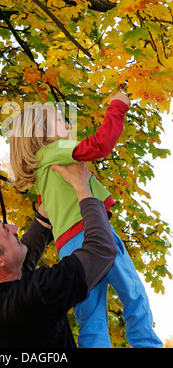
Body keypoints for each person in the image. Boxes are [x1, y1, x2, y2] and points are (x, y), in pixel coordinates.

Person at [10, 92, 162, 348]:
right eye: (60, 120)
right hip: (93, 233)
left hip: (68, 249)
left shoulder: (40, 172)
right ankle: (146, 344)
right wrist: (117, 108)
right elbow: (100, 145)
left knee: (90, 315)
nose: (68, 126)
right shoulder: (55, 149)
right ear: (41, 132)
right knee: (134, 294)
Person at [0, 162, 118, 348]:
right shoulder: (34, 297)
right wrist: (84, 189)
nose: (14, 228)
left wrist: (48, 205)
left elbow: (20, 261)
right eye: (3, 230)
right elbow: (101, 250)